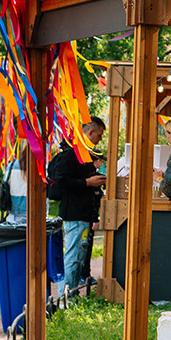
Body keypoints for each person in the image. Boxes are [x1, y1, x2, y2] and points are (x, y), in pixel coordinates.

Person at [47, 117, 106, 293]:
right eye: (99, 135)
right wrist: (88, 182)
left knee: (79, 256)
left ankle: (71, 293)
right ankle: (65, 296)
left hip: (83, 213)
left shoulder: (82, 154)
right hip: (74, 213)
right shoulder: (71, 154)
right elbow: (61, 182)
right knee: (73, 257)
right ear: (90, 132)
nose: (100, 139)